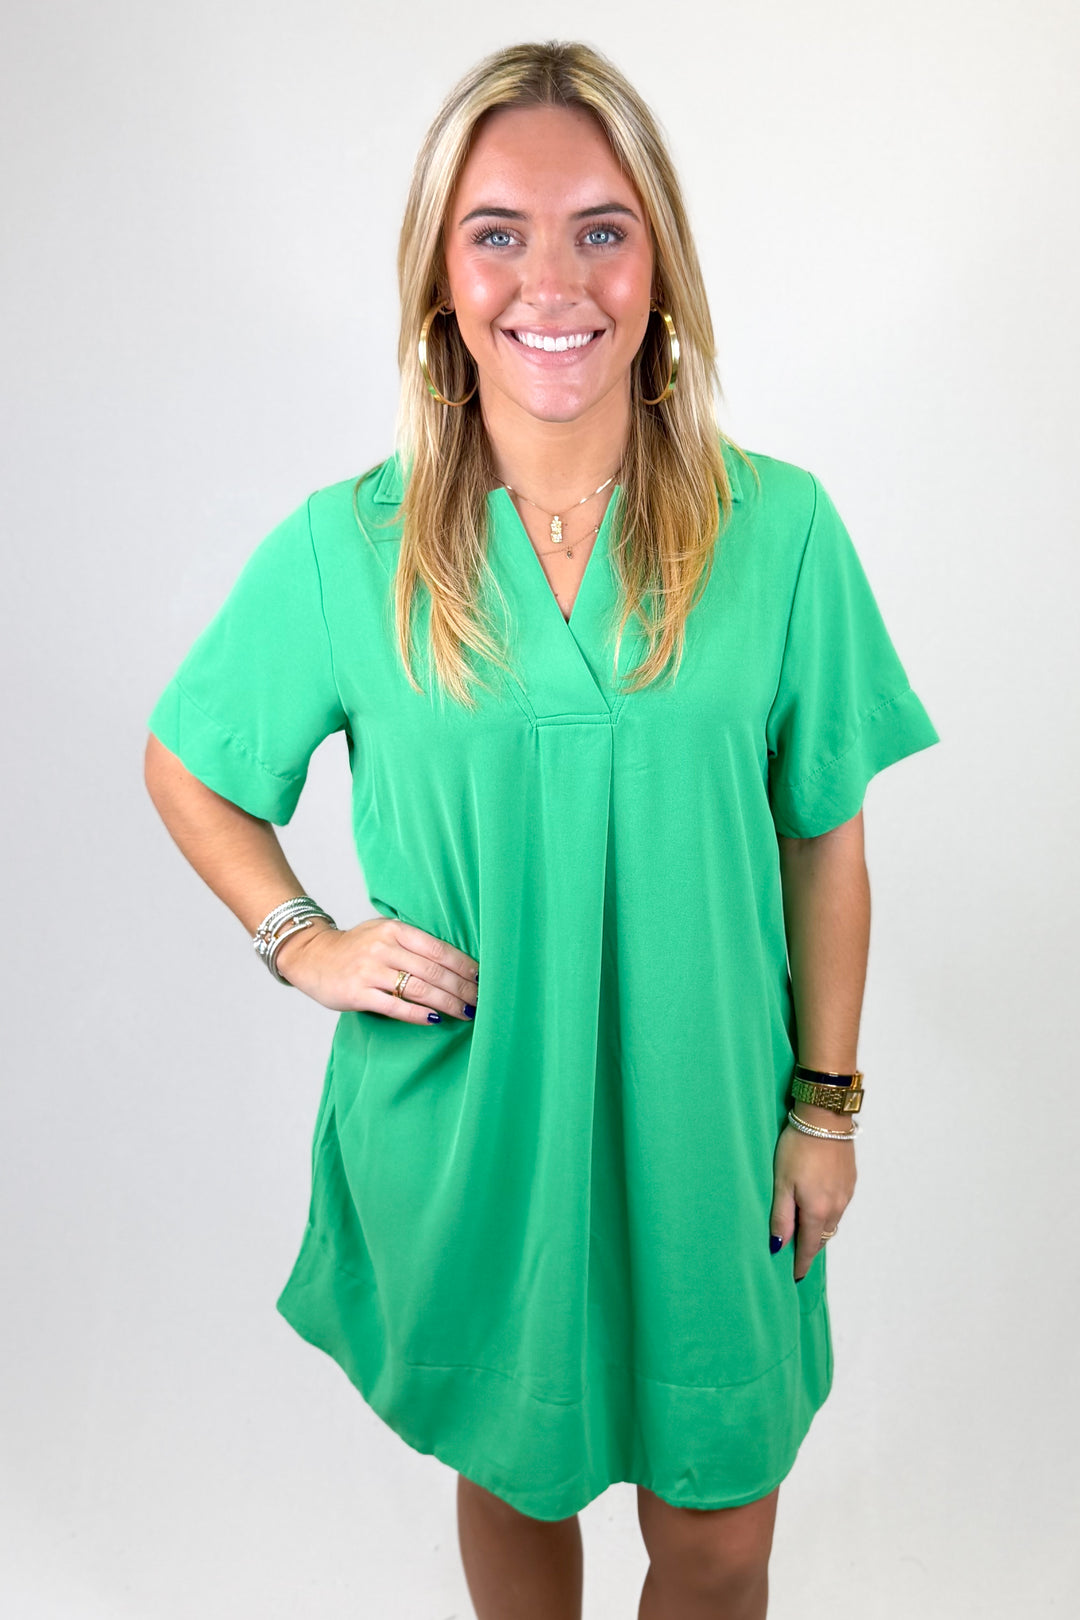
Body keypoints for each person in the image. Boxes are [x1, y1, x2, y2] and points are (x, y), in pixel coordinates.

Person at [144, 37, 940, 1620]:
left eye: (602, 229)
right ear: (442, 280)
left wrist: (827, 1106)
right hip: (475, 1122)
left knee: (719, 1544)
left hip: (714, 1127)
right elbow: (192, 763)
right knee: (519, 1489)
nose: (552, 281)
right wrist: (303, 940)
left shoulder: (780, 529)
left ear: (660, 266)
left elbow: (825, 843)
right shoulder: (350, 547)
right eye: (497, 232)